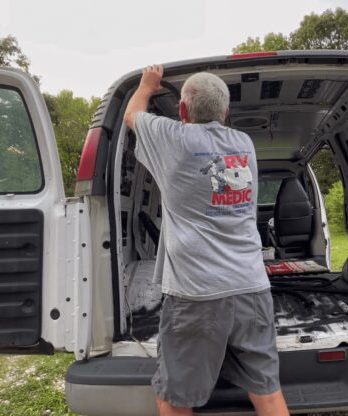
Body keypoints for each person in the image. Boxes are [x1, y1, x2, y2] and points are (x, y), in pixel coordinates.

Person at [123, 65, 289, 416]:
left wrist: (148, 85)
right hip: (252, 288)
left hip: (196, 295)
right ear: (227, 113)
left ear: (182, 112)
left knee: (174, 398)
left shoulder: (175, 139)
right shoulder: (243, 144)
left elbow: (132, 115)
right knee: (267, 391)